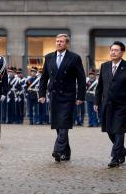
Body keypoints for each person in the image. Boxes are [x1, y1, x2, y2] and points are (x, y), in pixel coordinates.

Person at [39, 34, 86, 162]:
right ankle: (66, 152)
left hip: (68, 95)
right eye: (57, 41)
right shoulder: (49, 57)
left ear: (67, 44)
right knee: (58, 125)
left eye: (61, 41)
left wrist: (80, 96)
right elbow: (44, 78)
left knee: (64, 123)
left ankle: (58, 150)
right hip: (54, 95)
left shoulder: (74, 58)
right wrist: (41, 94)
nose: (59, 43)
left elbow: (81, 79)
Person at [94, 41, 126, 168]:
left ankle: (115, 158)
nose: (113, 52)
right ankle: (122, 151)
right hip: (107, 104)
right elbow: (100, 87)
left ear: (122, 52)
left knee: (119, 130)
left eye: (116, 50)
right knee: (109, 130)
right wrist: (97, 102)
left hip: (122, 105)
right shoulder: (104, 66)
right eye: (111, 50)